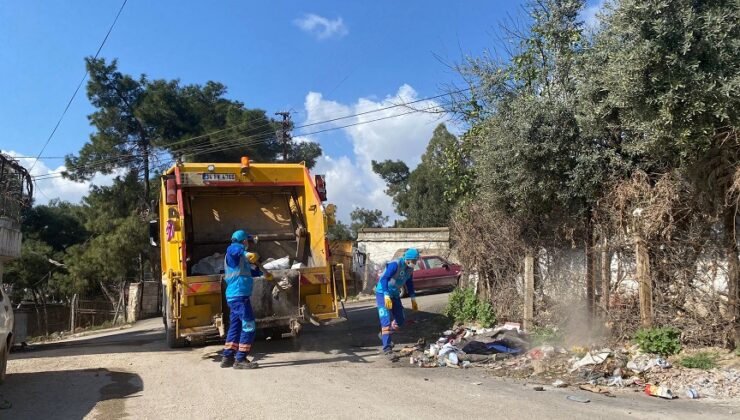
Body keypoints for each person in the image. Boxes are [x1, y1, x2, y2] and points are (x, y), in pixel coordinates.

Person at [220, 229, 273, 369]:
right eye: (247, 241)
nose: (249, 243)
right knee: (249, 326)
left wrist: (264, 273)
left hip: (236, 296)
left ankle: (227, 357)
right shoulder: (234, 250)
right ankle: (240, 359)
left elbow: (250, 272)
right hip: (238, 296)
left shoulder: (241, 260)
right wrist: (247, 253)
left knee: (236, 326)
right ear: (244, 241)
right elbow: (234, 249)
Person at [375, 248, 420, 356]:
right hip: (383, 293)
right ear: (407, 259)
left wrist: (413, 298)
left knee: (400, 320)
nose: (414, 263)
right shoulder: (395, 264)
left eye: (416, 261)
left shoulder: (410, 269)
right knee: (385, 321)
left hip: (395, 294)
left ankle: (384, 334)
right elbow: (384, 278)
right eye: (413, 261)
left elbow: (409, 282)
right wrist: (386, 294)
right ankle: (387, 348)